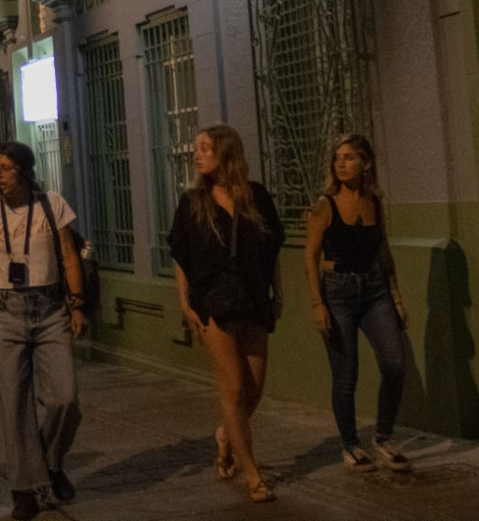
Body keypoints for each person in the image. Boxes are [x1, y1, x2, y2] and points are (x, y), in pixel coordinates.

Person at [0, 141, 86, 521]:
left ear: (25, 171)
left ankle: (49, 464)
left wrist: (77, 302)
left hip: (50, 307)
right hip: (5, 310)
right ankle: (24, 490)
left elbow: (67, 253)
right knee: (15, 405)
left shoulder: (52, 204)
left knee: (65, 398)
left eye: (5, 169)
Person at [169, 124, 284, 503]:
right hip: (212, 303)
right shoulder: (191, 204)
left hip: (253, 300)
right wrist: (185, 302)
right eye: (197, 148)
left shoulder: (257, 198)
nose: (197, 154)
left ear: (226, 154)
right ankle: (253, 473)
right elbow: (181, 256)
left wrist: (278, 292)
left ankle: (225, 434)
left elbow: (273, 251)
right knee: (233, 388)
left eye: (205, 148)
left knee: (254, 388)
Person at [303, 134, 410, 472]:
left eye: (349, 157)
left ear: (366, 163)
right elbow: (310, 256)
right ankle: (350, 445)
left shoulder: (374, 202)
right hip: (338, 292)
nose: (341, 163)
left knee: (394, 363)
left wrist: (396, 295)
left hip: (375, 288)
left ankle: (383, 436)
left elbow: (383, 250)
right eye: (337, 158)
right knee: (346, 374)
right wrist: (317, 305)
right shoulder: (325, 205)